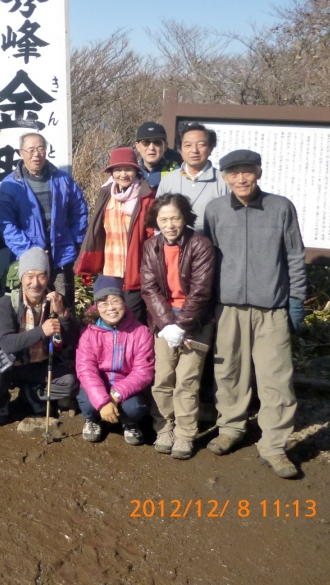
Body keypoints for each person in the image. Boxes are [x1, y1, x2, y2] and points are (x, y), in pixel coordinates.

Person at [203, 149, 306, 479]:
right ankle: (231, 428)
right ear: (225, 178)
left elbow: (295, 258)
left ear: (258, 172)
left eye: (247, 172)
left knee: (276, 379)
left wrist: (296, 303)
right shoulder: (216, 210)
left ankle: (274, 445)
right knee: (229, 373)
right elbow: (206, 261)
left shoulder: (280, 207)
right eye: (233, 174)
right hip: (228, 307)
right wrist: (207, 305)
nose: (241, 179)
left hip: (271, 309)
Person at [140, 194, 216, 460]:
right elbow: (149, 288)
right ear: (156, 221)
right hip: (163, 319)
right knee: (162, 377)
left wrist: (181, 325)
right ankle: (164, 427)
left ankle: (185, 434)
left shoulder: (201, 245)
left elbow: (201, 291)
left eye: (175, 218)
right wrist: (167, 324)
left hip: (196, 320)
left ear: (185, 218)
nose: (170, 224)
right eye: (164, 219)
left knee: (187, 380)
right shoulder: (151, 246)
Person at [0, 247, 78, 426]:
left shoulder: (56, 301)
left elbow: (72, 340)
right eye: (29, 276)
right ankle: (2, 401)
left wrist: (62, 314)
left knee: (70, 382)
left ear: (48, 278)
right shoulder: (8, 302)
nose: (35, 283)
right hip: (10, 364)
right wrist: (41, 331)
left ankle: (31, 393)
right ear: (21, 278)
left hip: (40, 366)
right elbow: (7, 343)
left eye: (41, 276)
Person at [0, 132, 88, 307]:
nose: (36, 154)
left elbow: (79, 212)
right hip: (27, 261)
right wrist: (32, 252)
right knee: (30, 311)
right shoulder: (10, 186)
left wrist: (75, 241)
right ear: (21, 153)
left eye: (40, 149)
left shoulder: (63, 180)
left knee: (63, 309)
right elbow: (6, 225)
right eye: (30, 150)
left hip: (61, 258)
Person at [75, 147, 157, 324]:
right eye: (118, 170)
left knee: (133, 318)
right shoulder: (106, 195)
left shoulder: (147, 197)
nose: (123, 174)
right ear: (112, 172)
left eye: (128, 169)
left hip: (136, 270)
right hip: (111, 269)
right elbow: (96, 231)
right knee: (112, 318)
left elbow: (152, 236)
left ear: (136, 170)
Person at [76, 275, 155, 445]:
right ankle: (93, 419)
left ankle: (129, 422)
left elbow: (143, 372)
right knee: (88, 404)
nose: (110, 308)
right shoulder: (88, 333)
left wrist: (115, 395)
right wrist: (103, 401)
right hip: (99, 384)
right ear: (97, 307)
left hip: (126, 386)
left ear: (123, 302)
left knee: (134, 409)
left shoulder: (141, 332)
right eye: (104, 303)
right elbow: (86, 369)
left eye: (115, 301)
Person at [155, 122, 229, 234]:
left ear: (210, 149)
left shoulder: (223, 181)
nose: (194, 150)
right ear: (180, 149)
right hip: (173, 249)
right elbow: (158, 218)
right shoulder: (168, 180)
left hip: (210, 249)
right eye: (188, 145)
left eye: (201, 144)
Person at [134, 121, 181, 191]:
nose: (151, 148)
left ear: (165, 146)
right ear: (137, 146)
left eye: (157, 142)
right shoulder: (132, 170)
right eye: (146, 142)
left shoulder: (176, 172)